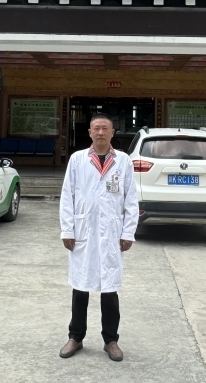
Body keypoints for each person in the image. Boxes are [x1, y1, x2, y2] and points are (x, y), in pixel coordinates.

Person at [58, 113, 139, 362]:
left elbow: (131, 199)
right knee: (80, 287)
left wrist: (128, 232)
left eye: (105, 128)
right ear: (90, 133)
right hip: (83, 232)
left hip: (112, 233)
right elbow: (67, 196)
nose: (101, 132)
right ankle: (75, 337)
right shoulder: (77, 159)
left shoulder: (123, 161)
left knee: (109, 290)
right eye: (96, 128)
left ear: (113, 133)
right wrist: (67, 230)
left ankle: (111, 340)